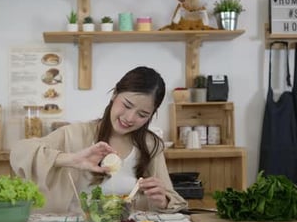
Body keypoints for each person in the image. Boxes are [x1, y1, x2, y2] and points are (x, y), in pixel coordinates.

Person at [10, 66, 188, 214]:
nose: (130, 118)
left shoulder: (151, 145)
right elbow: (20, 152)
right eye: (126, 105)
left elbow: (173, 201)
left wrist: (163, 200)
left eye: (142, 114)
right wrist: (73, 159)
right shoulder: (75, 134)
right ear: (114, 94)